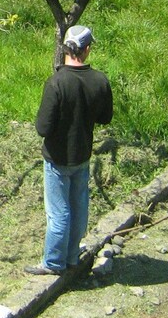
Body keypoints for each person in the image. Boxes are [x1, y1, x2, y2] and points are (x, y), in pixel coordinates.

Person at [26, 25, 113, 276]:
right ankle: (73, 256)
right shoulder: (100, 81)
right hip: (82, 155)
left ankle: (53, 263)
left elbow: (43, 127)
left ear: (65, 48)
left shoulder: (56, 83)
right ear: (87, 50)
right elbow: (105, 118)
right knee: (78, 207)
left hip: (56, 158)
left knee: (58, 213)